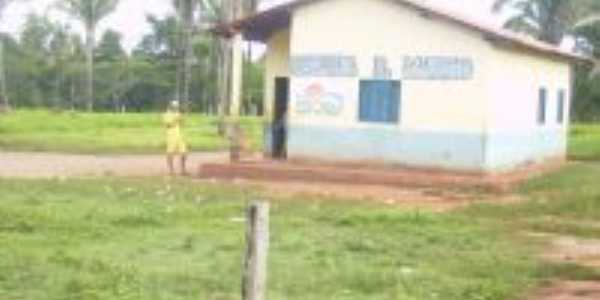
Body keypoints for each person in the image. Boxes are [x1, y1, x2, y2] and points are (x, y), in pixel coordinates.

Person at [163, 101, 188, 176]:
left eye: (176, 106)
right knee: (170, 152)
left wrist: (182, 115)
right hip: (171, 134)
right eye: (174, 106)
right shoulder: (166, 114)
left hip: (179, 133)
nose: (176, 108)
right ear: (170, 106)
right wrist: (176, 118)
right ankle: (171, 170)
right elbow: (168, 124)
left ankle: (183, 170)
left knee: (184, 152)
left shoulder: (177, 114)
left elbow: (183, 122)